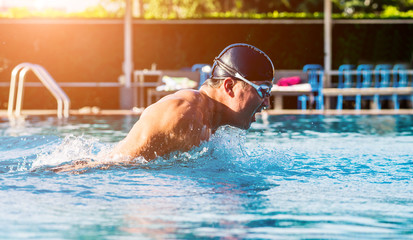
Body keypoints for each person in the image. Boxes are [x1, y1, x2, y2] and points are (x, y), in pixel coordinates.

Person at [51, 43, 275, 172]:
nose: (266, 103)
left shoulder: (210, 120)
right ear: (229, 86)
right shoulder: (183, 114)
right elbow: (116, 169)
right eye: (263, 92)